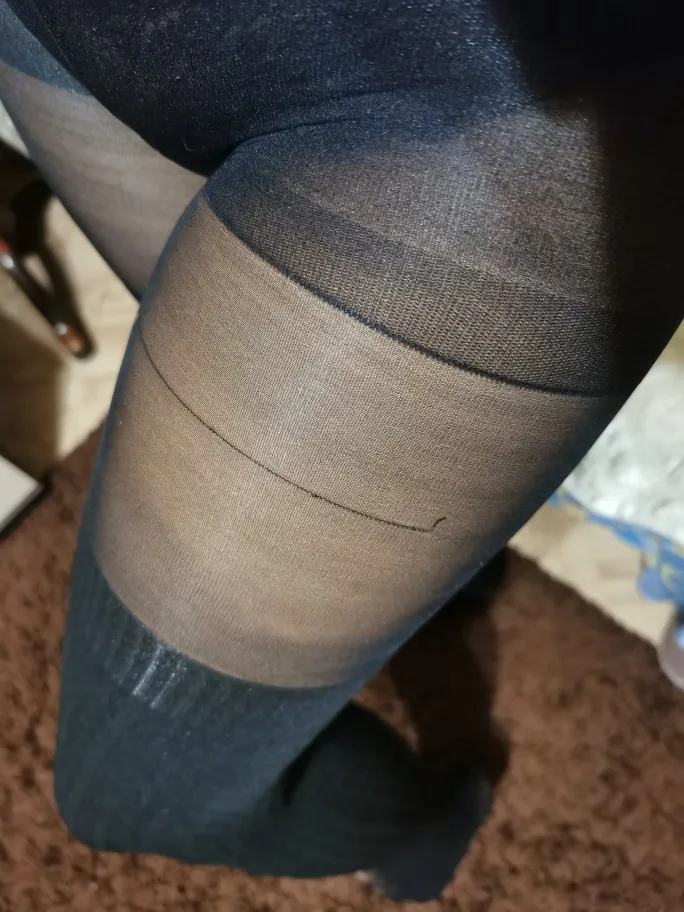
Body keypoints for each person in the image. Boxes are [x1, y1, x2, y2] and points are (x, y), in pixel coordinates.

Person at [1, 0, 682, 899]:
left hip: (481, 109)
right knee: (245, 356)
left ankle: (427, 821)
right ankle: (436, 568)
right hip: (76, 23)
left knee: (130, 795)